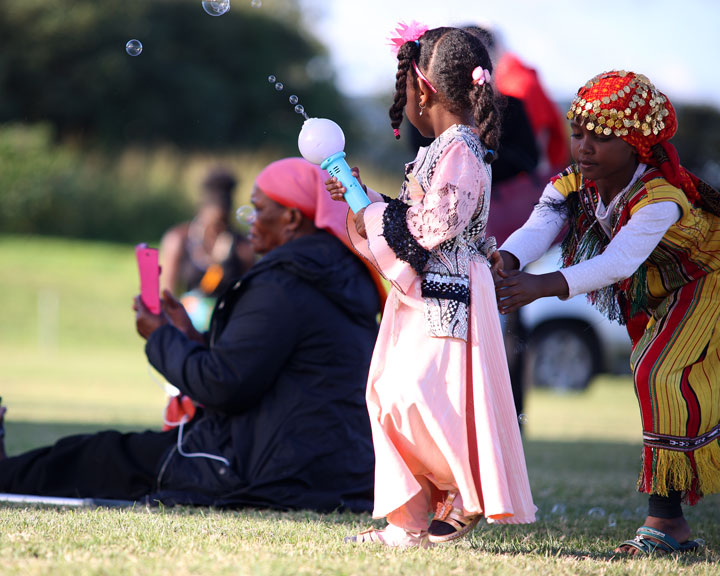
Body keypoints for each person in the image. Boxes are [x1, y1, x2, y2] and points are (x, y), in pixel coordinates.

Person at [0, 157, 381, 512]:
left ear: (292, 219)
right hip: (338, 473)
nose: (249, 220)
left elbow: (222, 386)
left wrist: (160, 337)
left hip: (273, 472)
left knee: (99, 455)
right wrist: (190, 339)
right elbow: (268, 371)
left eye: (259, 209)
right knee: (108, 452)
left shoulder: (284, 283)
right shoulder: (340, 278)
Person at [327, 23, 536, 548]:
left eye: (405, 92)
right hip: (421, 298)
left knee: (428, 397)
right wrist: (364, 196)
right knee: (390, 395)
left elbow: (430, 227)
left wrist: (371, 212)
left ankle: (463, 495)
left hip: (449, 301)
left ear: (424, 91)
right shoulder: (445, 147)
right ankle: (410, 519)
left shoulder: (462, 150)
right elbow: (415, 216)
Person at [495, 70, 720, 555]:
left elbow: (618, 263)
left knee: (659, 373)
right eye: (578, 134)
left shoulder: (660, 197)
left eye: (602, 137)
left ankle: (666, 524)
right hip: (662, 291)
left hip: (709, 281)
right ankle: (670, 524)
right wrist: (509, 259)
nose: (584, 147)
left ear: (638, 143)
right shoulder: (576, 181)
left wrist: (539, 286)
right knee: (658, 378)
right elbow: (543, 222)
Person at [160, 166, 255, 331]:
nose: (217, 229)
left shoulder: (242, 246)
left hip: (226, 329)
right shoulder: (179, 239)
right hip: (185, 327)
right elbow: (166, 293)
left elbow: (250, 296)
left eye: (222, 223)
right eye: (212, 222)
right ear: (201, 210)